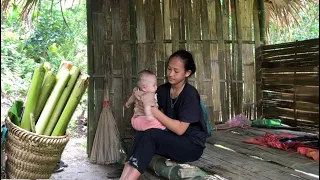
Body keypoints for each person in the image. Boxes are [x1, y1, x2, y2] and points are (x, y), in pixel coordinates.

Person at [119, 50, 208, 180]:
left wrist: (154, 111)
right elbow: (144, 101)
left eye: (176, 71)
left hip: (191, 145)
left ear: (187, 73)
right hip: (172, 138)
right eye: (169, 69)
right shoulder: (163, 90)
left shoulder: (190, 95)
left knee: (150, 135)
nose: (171, 74)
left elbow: (180, 129)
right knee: (142, 134)